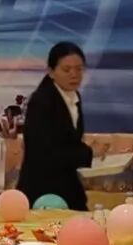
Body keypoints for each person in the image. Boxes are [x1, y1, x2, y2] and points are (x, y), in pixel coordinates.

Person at [17, 42, 93, 211]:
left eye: (79, 69)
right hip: (42, 190)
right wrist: (87, 154)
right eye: (66, 70)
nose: (74, 75)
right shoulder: (41, 102)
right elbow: (44, 152)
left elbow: (69, 140)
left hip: (67, 185)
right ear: (51, 72)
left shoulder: (73, 96)